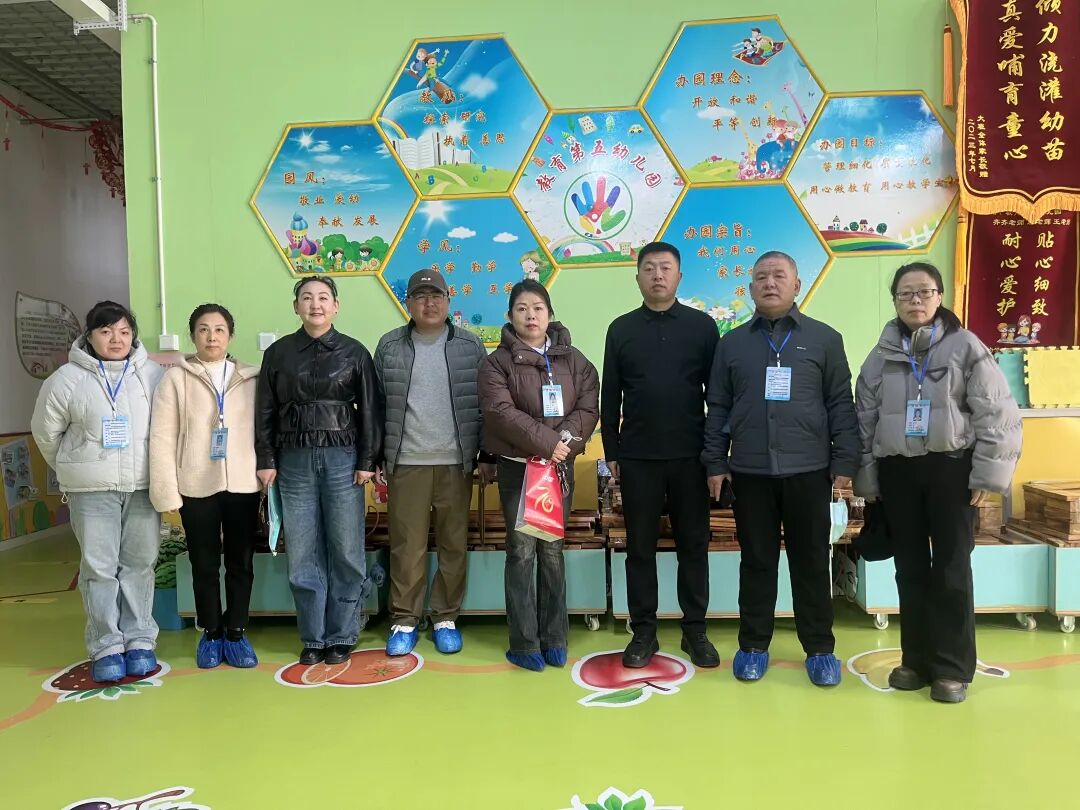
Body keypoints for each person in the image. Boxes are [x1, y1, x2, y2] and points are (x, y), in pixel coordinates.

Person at [854, 261, 1021, 703]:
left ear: (940, 296)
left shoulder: (966, 347)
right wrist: (868, 480)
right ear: (894, 301)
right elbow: (864, 422)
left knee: (951, 567)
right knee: (908, 567)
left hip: (951, 469)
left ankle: (951, 668)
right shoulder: (880, 355)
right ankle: (916, 660)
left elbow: (998, 414)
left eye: (924, 292)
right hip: (897, 472)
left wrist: (986, 475)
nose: (915, 300)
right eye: (905, 293)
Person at [702, 251, 859, 687]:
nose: (769, 283)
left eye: (779, 276)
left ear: (796, 285)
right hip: (749, 472)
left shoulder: (825, 339)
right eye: (761, 277)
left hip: (810, 471)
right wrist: (715, 462)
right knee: (756, 562)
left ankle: (820, 649)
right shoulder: (732, 344)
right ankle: (753, 645)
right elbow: (718, 407)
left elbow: (840, 404)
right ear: (750, 288)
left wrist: (845, 460)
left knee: (812, 562)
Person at [601, 241, 720, 669]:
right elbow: (610, 394)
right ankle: (643, 632)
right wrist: (612, 452)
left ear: (679, 276)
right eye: (649, 268)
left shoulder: (703, 327)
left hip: (692, 457)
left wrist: (715, 455)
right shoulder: (621, 328)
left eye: (665, 268)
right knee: (640, 549)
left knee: (694, 546)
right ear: (637, 277)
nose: (657, 275)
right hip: (638, 457)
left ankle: (695, 630)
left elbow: (717, 397)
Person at [31, 301, 164, 683]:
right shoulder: (65, 379)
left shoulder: (152, 375)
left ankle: (139, 640)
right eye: (106, 332)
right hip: (91, 491)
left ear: (133, 335)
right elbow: (46, 434)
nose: (116, 339)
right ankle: (106, 645)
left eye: (124, 331)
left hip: (142, 486)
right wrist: (78, 467)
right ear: (89, 337)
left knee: (139, 565)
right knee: (99, 569)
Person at [255, 276, 383, 666]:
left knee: (346, 548)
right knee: (302, 550)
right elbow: (264, 409)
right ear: (296, 306)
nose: (316, 304)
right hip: (293, 461)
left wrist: (367, 461)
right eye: (307, 298)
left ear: (336, 306)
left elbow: (371, 410)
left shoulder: (355, 352)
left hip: (343, 460)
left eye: (324, 297)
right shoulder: (278, 353)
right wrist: (266, 458)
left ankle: (342, 634)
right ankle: (313, 636)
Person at [478, 280, 599, 671]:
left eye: (538, 308)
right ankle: (524, 642)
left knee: (551, 550)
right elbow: (499, 411)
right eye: (522, 308)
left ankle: (555, 637)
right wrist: (548, 442)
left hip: (559, 468)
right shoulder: (496, 363)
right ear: (510, 316)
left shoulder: (574, 360)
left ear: (550, 314)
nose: (531, 315)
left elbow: (588, 406)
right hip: (519, 469)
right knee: (521, 551)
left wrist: (563, 444)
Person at [374, 269, 491, 657]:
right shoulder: (390, 346)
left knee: (453, 543)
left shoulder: (470, 346)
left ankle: (445, 617)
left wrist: (485, 455)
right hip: (406, 460)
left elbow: (486, 404)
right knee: (406, 546)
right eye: (420, 296)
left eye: (436, 296)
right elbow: (376, 407)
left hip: (456, 462)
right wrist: (376, 457)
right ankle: (405, 619)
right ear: (408, 303)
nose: (429, 303)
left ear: (448, 301)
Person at [149, 304, 261, 669]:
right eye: (203, 329)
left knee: (241, 562)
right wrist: (166, 490)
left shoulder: (251, 377)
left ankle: (236, 631)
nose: (211, 336)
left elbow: (265, 430)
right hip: (195, 484)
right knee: (204, 563)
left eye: (219, 329)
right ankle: (211, 632)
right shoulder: (175, 379)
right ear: (192, 335)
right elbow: (162, 437)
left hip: (244, 484)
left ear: (231, 335)